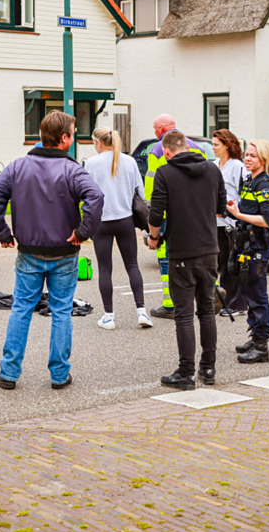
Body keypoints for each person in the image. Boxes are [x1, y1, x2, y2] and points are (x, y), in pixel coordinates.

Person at [0, 110, 104, 390]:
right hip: (65, 252)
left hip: (29, 252)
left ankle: (9, 373)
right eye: (73, 134)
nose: (74, 139)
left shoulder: (18, 167)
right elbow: (95, 197)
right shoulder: (73, 170)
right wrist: (83, 232)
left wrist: (2, 233)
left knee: (21, 309)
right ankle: (59, 375)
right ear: (63, 139)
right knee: (61, 311)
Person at [148, 130, 228, 390]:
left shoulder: (165, 172)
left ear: (167, 152)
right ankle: (209, 367)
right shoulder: (213, 170)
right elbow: (220, 207)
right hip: (210, 250)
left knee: (183, 316)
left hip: (182, 252)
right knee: (206, 311)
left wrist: (153, 238)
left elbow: (156, 212)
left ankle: (185, 374)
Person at [87, 127, 151, 330]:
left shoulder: (91, 163)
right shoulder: (129, 161)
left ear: (98, 143)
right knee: (132, 265)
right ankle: (142, 312)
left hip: (101, 221)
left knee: (105, 269)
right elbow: (139, 191)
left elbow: (85, 193)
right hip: (125, 219)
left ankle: (108, 316)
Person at [145, 114, 207, 320]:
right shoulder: (197, 147)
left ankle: (170, 303)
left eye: (155, 128)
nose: (154, 132)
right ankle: (207, 299)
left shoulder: (156, 150)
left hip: (167, 214)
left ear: (162, 128)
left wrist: (151, 215)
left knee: (166, 258)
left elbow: (152, 188)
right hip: (195, 212)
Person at [227, 140, 269, 364]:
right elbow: (245, 211)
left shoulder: (265, 185)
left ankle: (261, 347)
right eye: (247, 155)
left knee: (258, 296)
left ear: (264, 160)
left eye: (253, 156)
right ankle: (254, 335)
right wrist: (229, 212)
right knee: (248, 293)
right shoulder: (249, 180)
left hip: (257, 246)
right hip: (245, 245)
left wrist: (239, 215)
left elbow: (266, 220)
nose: (247, 159)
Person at [211, 129, 248, 314]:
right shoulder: (213, 165)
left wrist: (230, 209)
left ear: (227, 145)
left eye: (216, 144)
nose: (213, 148)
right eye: (213, 144)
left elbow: (245, 196)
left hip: (230, 224)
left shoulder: (237, 167)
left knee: (229, 264)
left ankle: (235, 304)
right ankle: (224, 301)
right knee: (218, 263)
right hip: (215, 223)